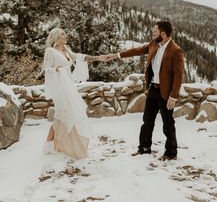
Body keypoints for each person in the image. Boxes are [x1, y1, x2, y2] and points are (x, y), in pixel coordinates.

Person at [106, 20, 184, 161]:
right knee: (147, 120)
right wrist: (117, 55)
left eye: (155, 31)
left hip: (166, 93)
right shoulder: (154, 44)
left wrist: (173, 96)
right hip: (153, 89)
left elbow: (179, 75)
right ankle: (144, 148)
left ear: (163, 34)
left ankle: (171, 153)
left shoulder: (175, 50)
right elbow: (137, 50)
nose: (153, 33)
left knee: (168, 124)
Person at [42, 27, 106, 159]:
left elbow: (80, 57)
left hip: (68, 86)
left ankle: (59, 144)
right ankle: (49, 144)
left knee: (67, 114)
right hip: (60, 88)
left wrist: (98, 58)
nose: (66, 36)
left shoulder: (66, 50)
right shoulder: (50, 51)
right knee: (61, 114)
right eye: (63, 34)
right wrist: (56, 69)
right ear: (57, 37)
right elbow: (46, 69)